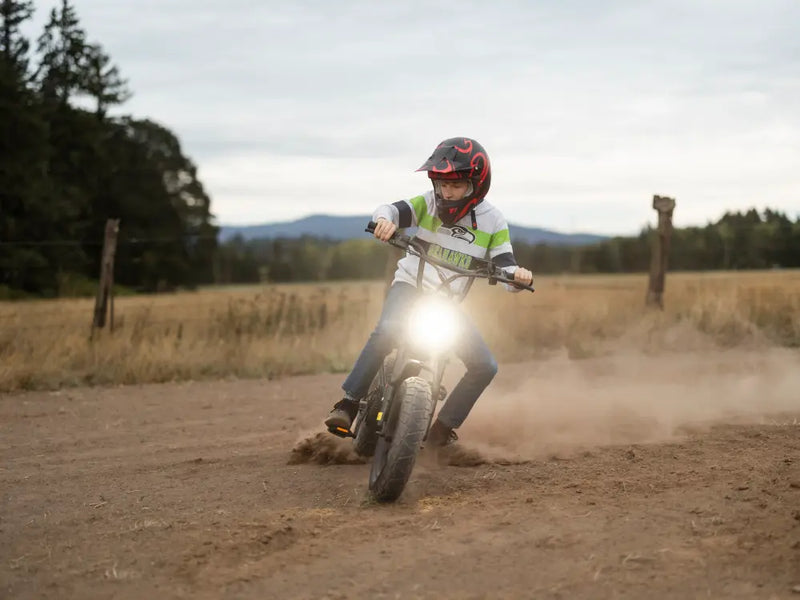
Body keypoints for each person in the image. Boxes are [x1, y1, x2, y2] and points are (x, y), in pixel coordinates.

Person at [324, 137, 533, 447]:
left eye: (456, 185)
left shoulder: (493, 221)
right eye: (441, 183)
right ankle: (349, 404)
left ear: (476, 184)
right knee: (388, 331)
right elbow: (392, 210)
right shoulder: (428, 203)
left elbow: (505, 267)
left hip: (447, 304)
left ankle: (442, 429)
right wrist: (384, 220)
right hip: (410, 287)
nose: (446, 191)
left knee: (485, 366)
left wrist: (517, 276)